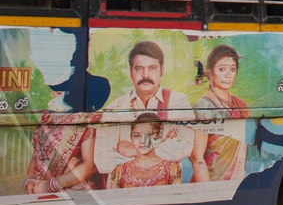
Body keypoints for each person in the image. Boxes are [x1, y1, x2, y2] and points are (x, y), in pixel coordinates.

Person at [94, 40, 192, 179]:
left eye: (152, 68)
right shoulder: (114, 109)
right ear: (130, 71)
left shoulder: (178, 102)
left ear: (162, 70)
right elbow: (102, 162)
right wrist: (161, 146)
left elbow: (185, 147)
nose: (145, 75)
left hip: (166, 189)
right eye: (139, 68)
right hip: (124, 192)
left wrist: (135, 151)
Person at [192, 43, 251, 182]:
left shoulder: (241, 106)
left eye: (232, 69)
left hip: (237, 184)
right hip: (210, 182)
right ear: (211, 72)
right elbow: (197, 158)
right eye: (222, 69)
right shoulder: (204, 106)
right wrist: (207, 193)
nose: (228, 75)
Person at [23, 108, 102, 195]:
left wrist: (48, 186)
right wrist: (30, 180)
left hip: (73, 194)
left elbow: (89, 166)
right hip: (40, 192)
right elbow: (36, 155)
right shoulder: (46, 117)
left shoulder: (85, 117)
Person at [106, 113, 183, 188]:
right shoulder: (121, 171)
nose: (142, 141)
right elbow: (113, 199)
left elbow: (176, 198)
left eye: (148, 135)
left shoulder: (171, 169)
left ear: (158, 136)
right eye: (137, 136)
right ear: (131, 138)